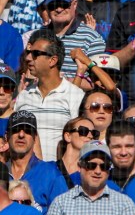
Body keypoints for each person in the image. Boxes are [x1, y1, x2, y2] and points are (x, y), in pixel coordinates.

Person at [14, 32, 86, 160]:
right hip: (27, 175)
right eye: (29, 53)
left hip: (59, 175)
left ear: (52, 60)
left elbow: (80, 141)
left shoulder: (75, 95)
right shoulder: (24, 96)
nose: (28, 58)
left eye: (35, 54)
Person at [5, 110, 65, 212]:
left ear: (35, 138)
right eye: (16, 129)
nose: (21, 134)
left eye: (28, 130)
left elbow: (64, 213)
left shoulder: (50, 173)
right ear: (7, 136)